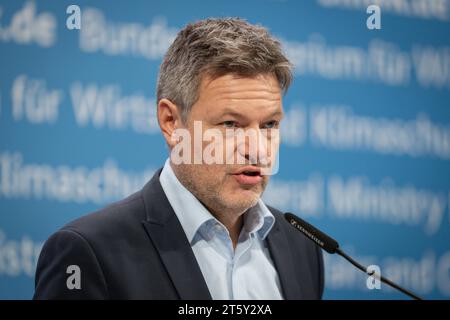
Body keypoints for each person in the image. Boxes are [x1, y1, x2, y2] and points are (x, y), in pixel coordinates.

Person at [33, 18, 324, 300]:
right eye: (230, 125)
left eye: (269, 125)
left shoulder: (302, 247)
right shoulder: (89, 253)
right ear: (171, 122)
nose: (258, 149)